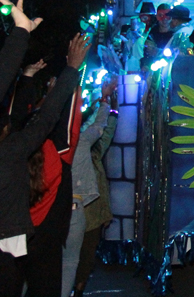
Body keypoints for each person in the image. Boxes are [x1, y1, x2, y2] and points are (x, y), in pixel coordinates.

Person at [0, 0, 90, 297]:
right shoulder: (30, 152)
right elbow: (52, 118)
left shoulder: (16, 148)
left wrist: (25, 74)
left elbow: (28, 116)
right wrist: (71, 70)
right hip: (27, 243)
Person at [61, 80, 113, 297]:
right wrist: (105, 99)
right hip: (75, 208)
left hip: (52, 209)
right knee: (71, 261)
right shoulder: (80, 143)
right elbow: (100, 127)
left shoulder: (47, 143)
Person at [73, 85, 118, 297]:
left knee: (79, 258)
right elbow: (102, 129)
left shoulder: (89, 151)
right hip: (84, 216)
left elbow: (104, 132)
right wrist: (107, 103)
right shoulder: (84, 148)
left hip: (86, 217)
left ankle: (76, 287)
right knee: (79, 258)